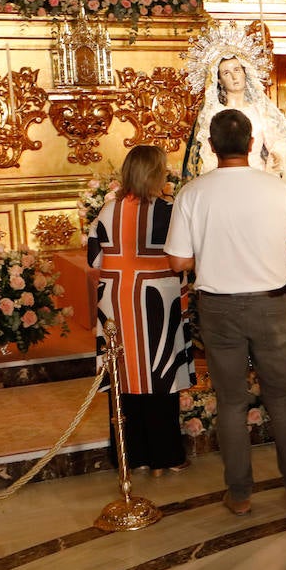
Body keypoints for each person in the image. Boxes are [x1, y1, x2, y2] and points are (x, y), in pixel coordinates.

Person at [164, 109, 286, 515]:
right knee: (283, 397)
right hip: (271, 304)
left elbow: (178, 262)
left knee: (231, 401)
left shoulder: (193, 193)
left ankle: (241, 494)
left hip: (219, 307)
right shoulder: (278, 189)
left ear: (210, 147)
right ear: (251, 144)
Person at [87, 145, 193, 476]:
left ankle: (131, 455)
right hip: (158, 299)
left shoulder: (106, 211)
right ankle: (166, 456)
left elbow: (94, 259)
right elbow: (185, 258)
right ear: (155, 173)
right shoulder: (169, 210)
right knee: (160, 374)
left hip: (117, 299)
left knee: (123, 375)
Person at [181, 20, 286, 203]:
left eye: (237, 69)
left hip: (259, 183)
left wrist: (277, 159)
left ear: (245, 72)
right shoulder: (213, 116)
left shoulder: (260, 110)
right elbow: (205, 158)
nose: (234, 76)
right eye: (226, 73)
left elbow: (281, 143)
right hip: (222, 186)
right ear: (218, 81)